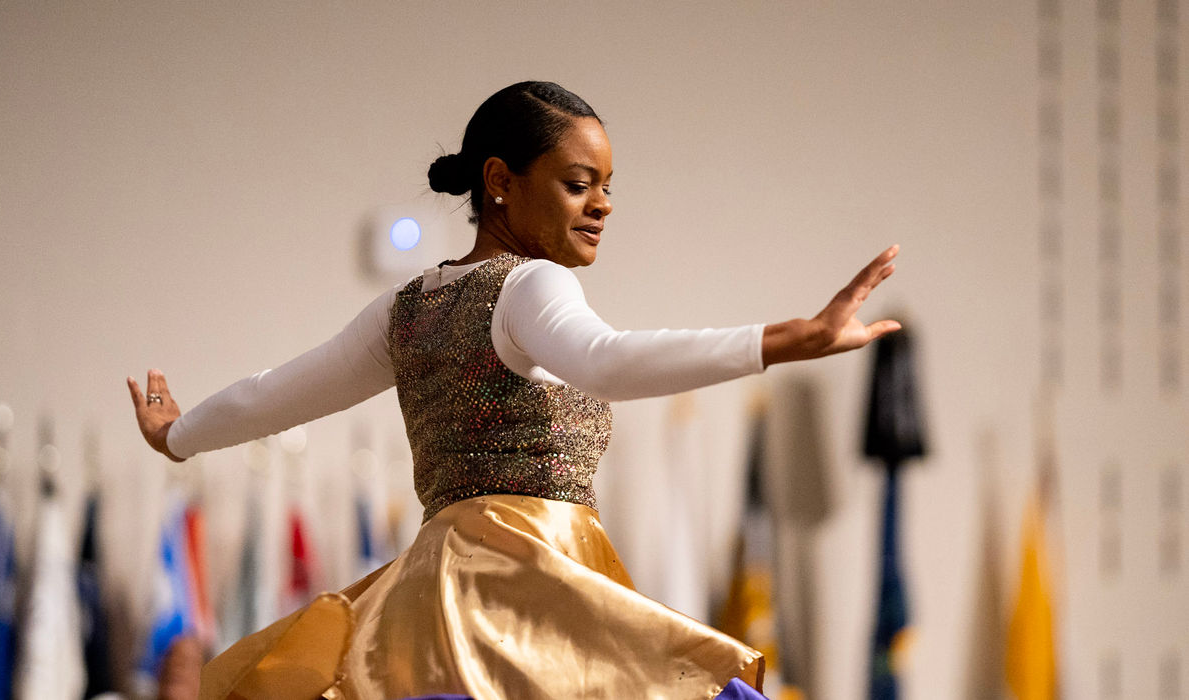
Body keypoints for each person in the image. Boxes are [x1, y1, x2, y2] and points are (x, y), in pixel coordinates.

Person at [126, 81, 901, 700]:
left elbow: (278, 393)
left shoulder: (405, 307)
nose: (602, 204)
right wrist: (788, 340)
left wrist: (179, 434)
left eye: (606, 186)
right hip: (525, 585)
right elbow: (607, 361)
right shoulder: (530, 285)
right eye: (577, 183)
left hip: (433, 597)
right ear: (500, 182)